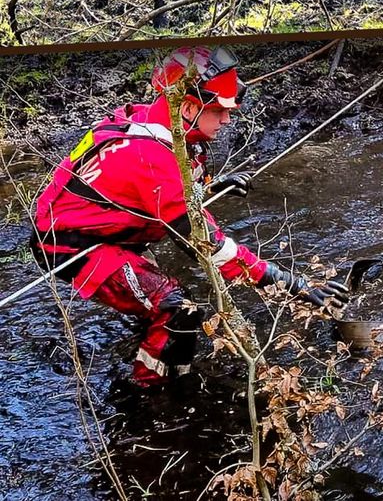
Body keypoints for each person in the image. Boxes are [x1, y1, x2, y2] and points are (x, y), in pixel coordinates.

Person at [31, 46, 350, 388]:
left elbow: (160, 191)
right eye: (218, 112)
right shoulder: (151, 157)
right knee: (177, 308)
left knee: (156, 298)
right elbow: (206, 246)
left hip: (107, 228)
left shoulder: (153, 120)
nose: (227, 120)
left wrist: (210, 188)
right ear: (186, 107)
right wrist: (289, 284)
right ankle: (154, 393)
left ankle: (147, 340)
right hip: (70, 245)